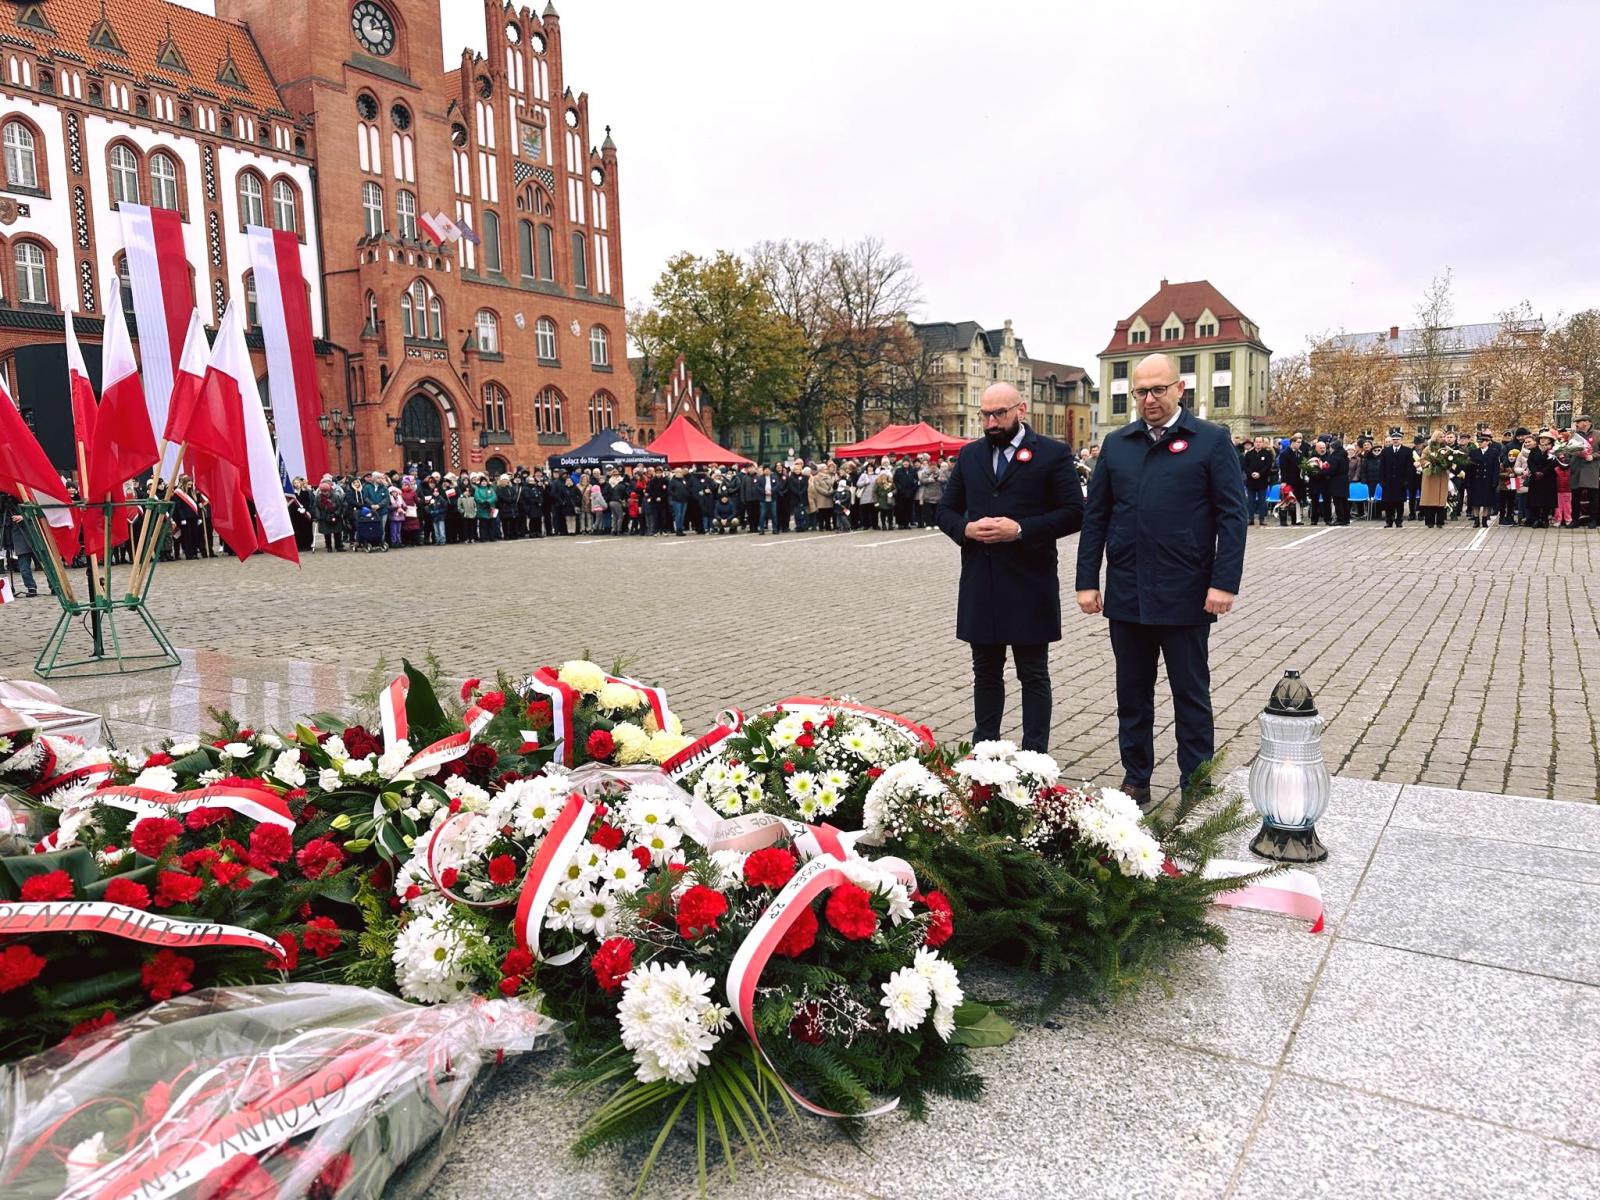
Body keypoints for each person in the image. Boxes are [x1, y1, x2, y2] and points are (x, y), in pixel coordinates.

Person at [1074, 353, 1247, 809]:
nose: (1149, 400)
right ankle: (1136, 778)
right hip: (1128, 591)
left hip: (1187, 591)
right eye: (1140, 392)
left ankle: (1197, 783)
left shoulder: (1209, 440)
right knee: (1131, 694)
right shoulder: (1118, 444)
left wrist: (1224, 581)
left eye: (1158, 390)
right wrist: (1086, 579)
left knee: (1191, 694)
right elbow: (1097, 517)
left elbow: (1233, 515)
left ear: (1179, 389)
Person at [937, 382, 1083, 753]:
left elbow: (1074, 513)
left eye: (998, 414)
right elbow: (944, 510)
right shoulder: (970, 456)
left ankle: (1035, 756)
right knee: (985, 672)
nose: (990, 422)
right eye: (984, 414)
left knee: (1033, 673)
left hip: (1030, 581)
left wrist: (1020, 529)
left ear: (1021, 410)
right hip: (981, 580)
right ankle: (984, 750)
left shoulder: (1052, 454)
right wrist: (966, 529)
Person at [1466, 431, 1502, 528]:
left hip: (1487, 480)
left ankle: (1485, 520)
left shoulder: (1494, 452)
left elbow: (1496, 468)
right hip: (1476, 481)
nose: (1480, 443)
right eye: (1479, 442)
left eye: (1482, 441)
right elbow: (1469, 469)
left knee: (1487, 502)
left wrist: (1495, 480)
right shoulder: (1473, 452)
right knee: (1475, 502)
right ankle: (1476, 520)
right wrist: (1468, 481)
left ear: (1487, 442)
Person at [1377, 430, 1411, 527]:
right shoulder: (1385, 451)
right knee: (1388, 503)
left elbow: (1409, 468)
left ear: (1401, 440)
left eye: (1398, 439)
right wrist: (1381, 480)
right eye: (1394, 439)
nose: (1395, 441)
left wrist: (1406, 481)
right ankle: (1389, 521)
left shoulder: (1407, 451)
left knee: (1399, 503)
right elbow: (1382, 467)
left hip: (1401, 482)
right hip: (1388, 482)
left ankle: (1399, 521)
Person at [1418, 431, 1450, 528]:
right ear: (1435, 437)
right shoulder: (1428, 449)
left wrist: (1446, 464)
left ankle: (1440, 521)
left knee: (1441, 500)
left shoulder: (1446, 449)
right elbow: (1422, 460)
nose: (1443, 438)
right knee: (1429, 499)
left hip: (1442, 476)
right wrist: (1429, 463)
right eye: (1441, 436)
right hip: (1430, 476)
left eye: (1444, 436)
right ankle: (1429, 521)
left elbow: (1451, 459)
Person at [1525, 433, 1558, 528]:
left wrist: (1543, 472)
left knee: (1546, 499)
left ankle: (1544, 519)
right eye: (1541, 438)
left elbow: (1553, 463)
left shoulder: (1553, 450)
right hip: (1536, 478)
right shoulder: (1534, 450)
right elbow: (1530, 462)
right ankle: (1536, 519)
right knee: (1535, 499)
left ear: (1550, 440)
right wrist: (1535, 472)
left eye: (1545, 438)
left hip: (1548, 478)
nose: (1543, 440)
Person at [1241, 438, 1274, 526]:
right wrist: (1251, 473)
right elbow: (1245, 466)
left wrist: (1259, 473)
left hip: (1262, 481)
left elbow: (1268, 466)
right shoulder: (1249, 454)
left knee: (1262, 501)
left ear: (1262, 443)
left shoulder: (1267, 454)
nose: (1258, 444)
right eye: (1257, 442)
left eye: (1260, 442)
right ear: (1254, 443)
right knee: (1250, 501)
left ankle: (1261, 519)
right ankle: (1250, 518)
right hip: (1251, 481)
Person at [1326, 437, 1352, 525]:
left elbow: (1332, 469)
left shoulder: (1335, 457)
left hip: (1336, 480)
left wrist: (1325, 471)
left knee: (1338, 500)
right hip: (1344, 480)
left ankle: (1340, 519)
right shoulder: (1344, 455)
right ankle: (1346, 518)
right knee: (1344, 500)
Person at [808, 464, 834, 531]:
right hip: (821, 497)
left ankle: (828, 526)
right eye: (825, 469)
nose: (826, 470)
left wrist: (831, 490)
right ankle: (821, 526)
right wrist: (826, 492)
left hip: (829, 497)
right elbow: (818, 487)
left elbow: (832, 484)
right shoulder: (816, 477)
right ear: (821, 469)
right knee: (821, 513)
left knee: (828, 513)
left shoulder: (828, 476)